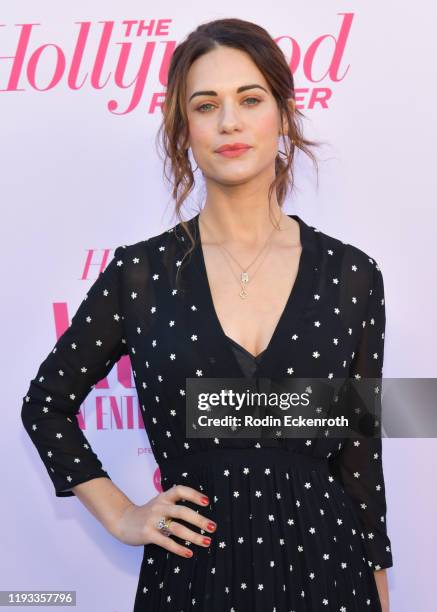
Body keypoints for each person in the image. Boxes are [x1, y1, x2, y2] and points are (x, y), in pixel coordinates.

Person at [21, 17, 393, 612]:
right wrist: (121, 515)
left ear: (283, 115)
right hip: (193, 579)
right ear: (182, 129)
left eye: (250, 99)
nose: (229, 122)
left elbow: (359, 454)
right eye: (205, 104)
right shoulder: (138, 276)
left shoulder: (351, 276)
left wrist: (379, 588)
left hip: (329, 576)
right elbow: (46, 404)